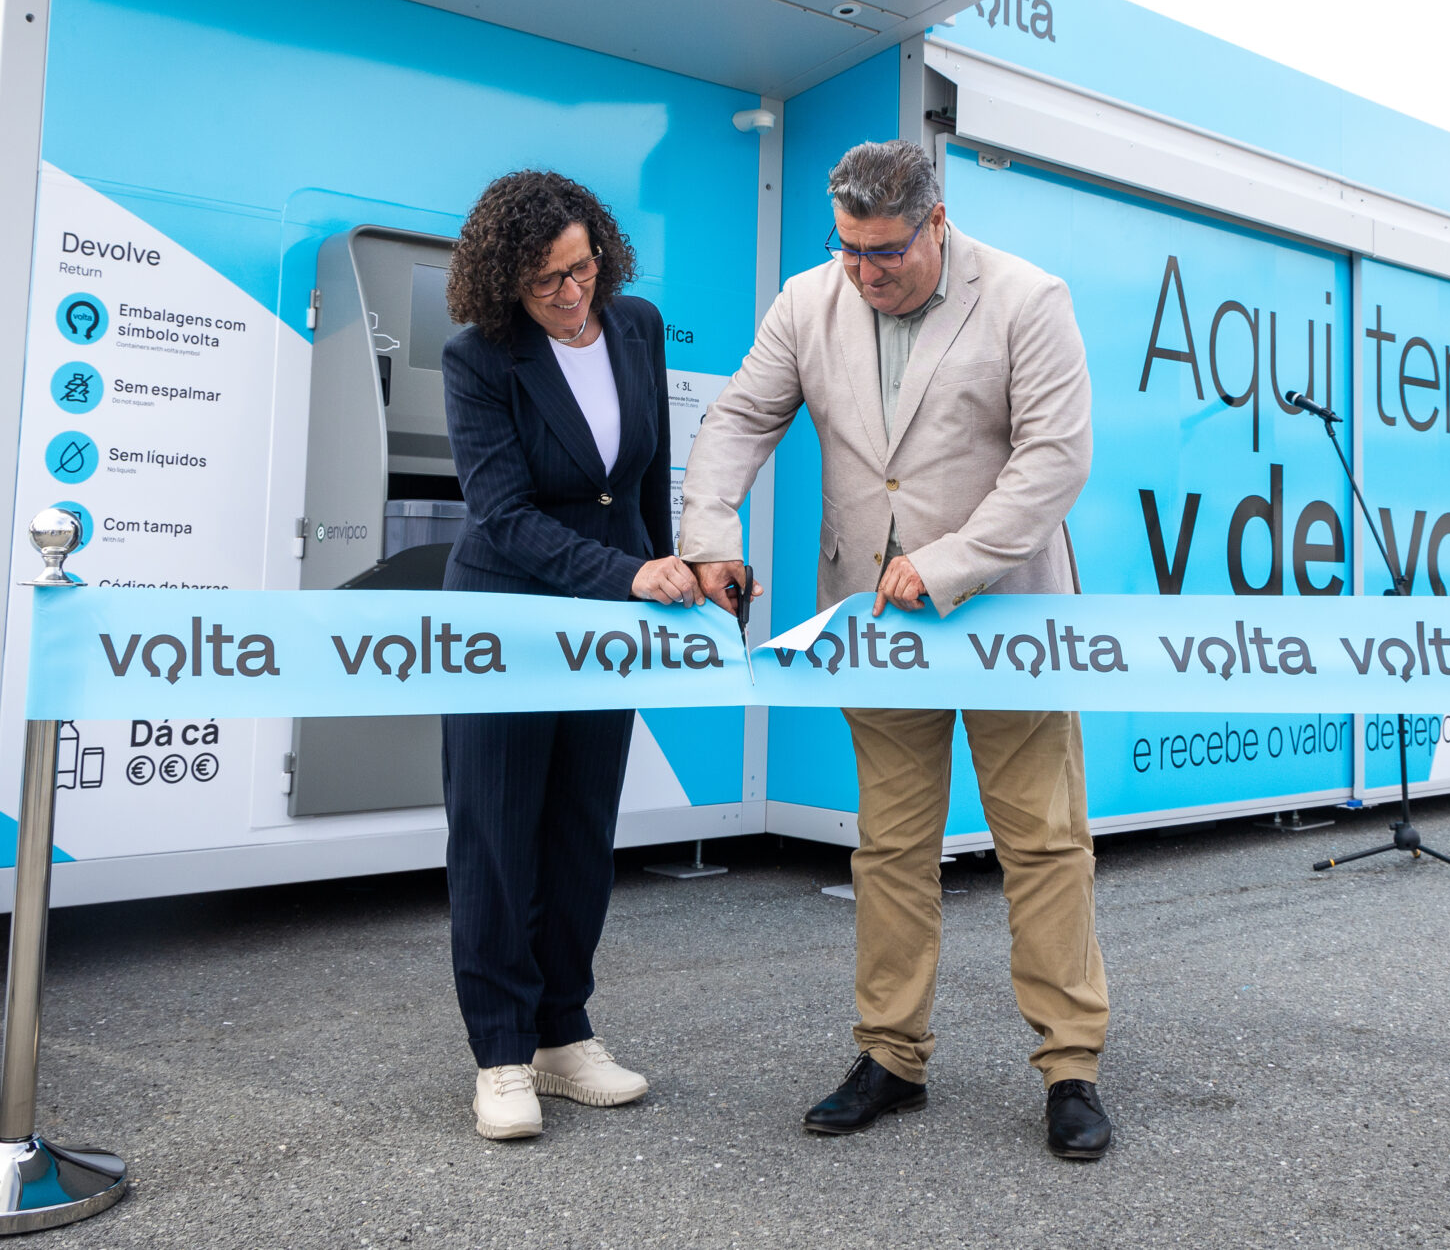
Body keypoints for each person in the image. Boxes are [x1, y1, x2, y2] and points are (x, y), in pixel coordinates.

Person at [678, 139, 1112, 1160]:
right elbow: (738, 420)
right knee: (889, 848)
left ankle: (1071, 1065)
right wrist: (710, 534)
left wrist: (949, 562)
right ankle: (891, 1055)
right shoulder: (807, 299)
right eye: (850, 248)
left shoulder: (1028, 298)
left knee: (1042, 844)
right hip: (872, 624)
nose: (865, 271)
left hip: (1006, 616)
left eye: (886, 252)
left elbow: (1055, 460)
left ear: (936, 222)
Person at [438, 170, 701, 1141]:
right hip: (504, 619)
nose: (570, 291)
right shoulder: (478, 356)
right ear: (506, 278)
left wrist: (674, 574)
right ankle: (501, 1052)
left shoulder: (635, 325)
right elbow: (502, 515)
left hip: (609, 624)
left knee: (581, 829)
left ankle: (563, 1032)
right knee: (497, 834)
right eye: (546, 278)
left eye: (582, 267)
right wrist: (629, 576)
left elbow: (644, 485)